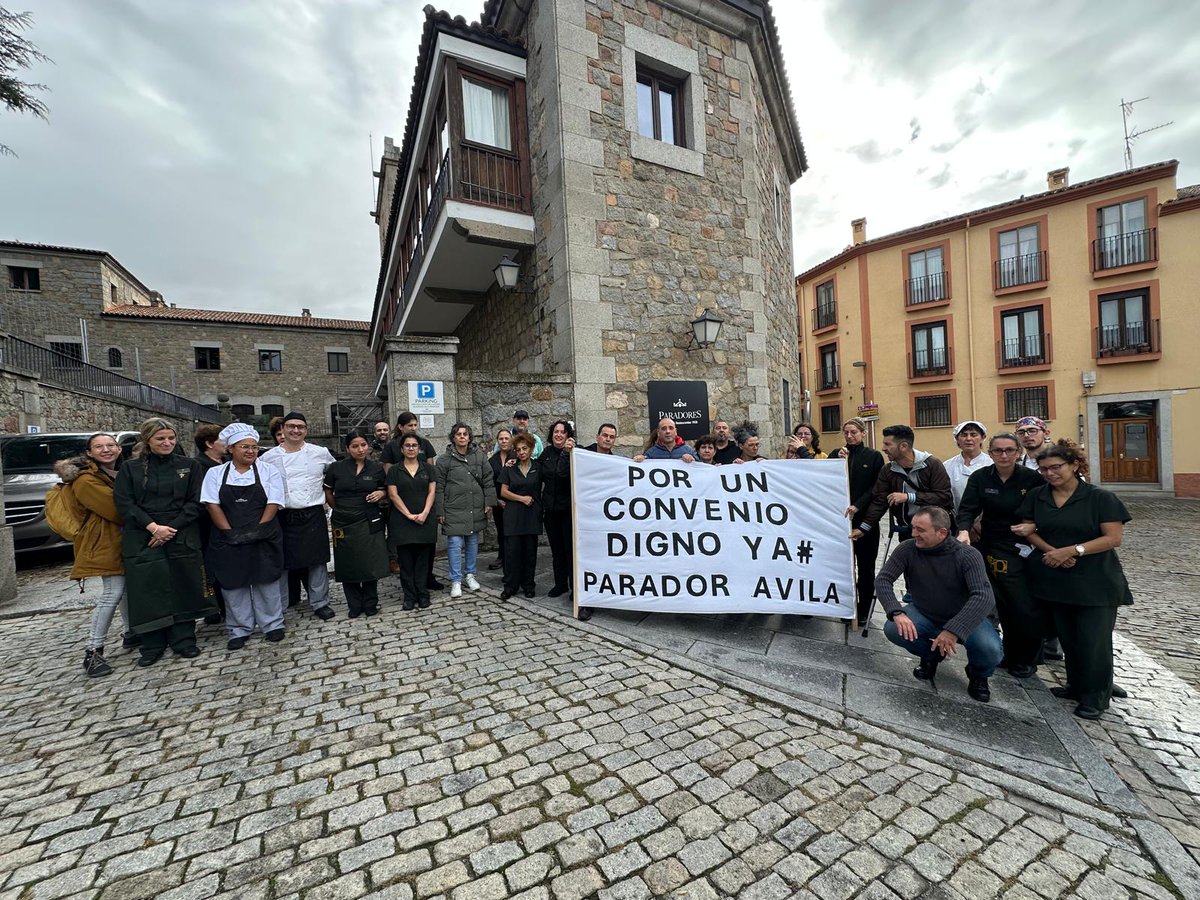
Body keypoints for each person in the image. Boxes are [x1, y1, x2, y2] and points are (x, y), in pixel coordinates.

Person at [1013, 442, 1134, 720]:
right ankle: (1076, 685)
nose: (1050, 473)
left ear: (1074, 465)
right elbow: (1027, 529)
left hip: (1095, 581)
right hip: (1056, 577)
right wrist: (1052, 552)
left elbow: (1113, 538)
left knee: (1094, 641)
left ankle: (1096, 697)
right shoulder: (1038, 495)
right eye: (1044, 469)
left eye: (1056, 467)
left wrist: (1073, 550)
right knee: (1069, 639)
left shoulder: (1099, 498)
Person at [114, 418, 215, 667]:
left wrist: (172, 528)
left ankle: (184, 638)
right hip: (144, 534)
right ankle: (153, 643)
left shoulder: (189, 466)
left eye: (171, 438)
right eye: (161, 439)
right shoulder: (131, 469)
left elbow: (197, 501)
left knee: (183, 583)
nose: (167, 443)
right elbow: (125, 503)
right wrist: (153, 527)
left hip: (181, 532)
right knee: (148, 588)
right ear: (148, 440)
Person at [877, 507, 1002, 702]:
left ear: (941, 533)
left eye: (920, 529)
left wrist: (953, 630)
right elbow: (883, 579)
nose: (913, 534)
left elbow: (984, 596)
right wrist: (897, 612)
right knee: (893, 628)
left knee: (990, 649)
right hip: (925, 612)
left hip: (966, 618)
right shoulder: (908, 549)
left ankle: (979, 674)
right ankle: (931, 656)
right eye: (913, 528)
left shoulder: (968, 555)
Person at [956, 432, 1045, 678]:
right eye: (998, 451)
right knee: (997, 603)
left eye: (1009, 450)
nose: (1003, 455)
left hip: (1023, 546)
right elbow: (968, 508)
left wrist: (1034, 527)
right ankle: (1005, 652)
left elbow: (1045, 512)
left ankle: (1027, 659)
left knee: (1023, 605)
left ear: (1018, 453)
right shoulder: (981, 477)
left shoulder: (1032, 478)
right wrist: (963, 531)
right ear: (991, 452)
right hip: (990, 543)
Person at [201, 423, 286, 650]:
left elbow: (274, 502)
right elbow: (212, 504)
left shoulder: (269, 472)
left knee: (266, 579)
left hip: (264, 533)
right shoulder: (215, 473)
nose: (250, 451)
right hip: (227, 536)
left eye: (254, 447)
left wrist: (258, 529)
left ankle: (272, 624)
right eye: (244, 447)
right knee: (233, 583)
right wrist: (229, 532)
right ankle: (239, 629)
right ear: (231, 449)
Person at [56, 433, 128, 677]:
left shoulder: (111, 473)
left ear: (119, 449)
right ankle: (93, 651)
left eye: (110, 445)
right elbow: (117, 510)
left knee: (125, 591)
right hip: (104, 543)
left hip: (119, 540)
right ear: (89, 453)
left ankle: (130, 633)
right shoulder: (86, 480)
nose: (106, 449)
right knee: (112, 593)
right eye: (99, 446)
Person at [260, 411, 337, 620]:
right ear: (283, 429)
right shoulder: (268, 457)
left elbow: (335, 474)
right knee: (282, 562)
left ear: (306, 430)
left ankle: (320, 602)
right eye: (291, 426)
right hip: (283, 515)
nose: (296, 430)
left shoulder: (319, 452)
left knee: (317, 561)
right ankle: (281, 607)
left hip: (313, 513)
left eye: (300, 427)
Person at [1013, 414, 1065, 662]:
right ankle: (1037, 642)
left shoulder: (1057, 461)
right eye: (1022, 432)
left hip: (1054, 534)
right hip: (1024, 534)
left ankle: (1054, 644)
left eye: (1032, 430)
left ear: (1044, 433)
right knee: (1031, 591)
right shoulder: (1017, 460)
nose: (1027, 435)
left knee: (1055, 591)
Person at [324, 429, 390, 618]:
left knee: (370, 561)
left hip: (369, 518)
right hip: (344, 520)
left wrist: (381, 493)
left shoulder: (375, 468)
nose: (360, 449)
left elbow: (384, 489)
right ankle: (354, 604)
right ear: (347, 448)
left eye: (363, 445)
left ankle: (370, 602)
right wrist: (341, 509)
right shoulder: (336, 468)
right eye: (355, 446)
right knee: (348, 562)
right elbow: (328, 493)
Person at [851, 424, 953, 544]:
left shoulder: (932, 465)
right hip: (907, 531)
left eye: (887, 444)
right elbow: (880, 501)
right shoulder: (887, 470)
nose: (883, 448)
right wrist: (864, 527)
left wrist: (908, 497)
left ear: (904, 446)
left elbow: (944, 497)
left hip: (934, 532)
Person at [382, 411, 441, 588]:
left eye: (415, 425)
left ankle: (427, 578)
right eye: (410, 425)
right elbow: (388, 472)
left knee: (427, 546)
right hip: (402, 497)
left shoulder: (424, 443)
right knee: (406, 547)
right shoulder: (392, 447)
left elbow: (430, 470)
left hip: (424, 498)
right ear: (400, 427)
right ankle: (410, 583)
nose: (413, 428)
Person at [836, 418, 885, 623]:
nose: (850, 436)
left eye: (854, 432)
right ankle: (847, 606)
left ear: (863, 433)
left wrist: (858, 505)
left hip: (865, 523)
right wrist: (837, 462)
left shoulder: (874, 457)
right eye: (846, 432)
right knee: (845, 567)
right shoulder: (837, 454)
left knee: (865, 569)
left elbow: (877, 487)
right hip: (843, 522)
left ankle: (864, 609)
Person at [435, 423, 491, 598]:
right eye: (458, 434)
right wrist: (440, 510)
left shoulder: (479, 457)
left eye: (465, 434)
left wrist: (489, 501)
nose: (461, 437)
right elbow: (439, 487)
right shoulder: (444, 460)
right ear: (453, 437)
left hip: (474, 507)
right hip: (454, 508)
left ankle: (470, 575)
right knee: (455, 544)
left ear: (469, 437)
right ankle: (456, 580)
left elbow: (488, 479)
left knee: (472, 542)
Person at [386, 432, 438, 610]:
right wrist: (408, 514)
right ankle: (409, 596)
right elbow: (393, 494)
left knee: (423, 561)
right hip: (402, 522)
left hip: (425, 520)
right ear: (402, 448)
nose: (410, 448)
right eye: (407, 445)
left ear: (419, 448)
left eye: (414, 445)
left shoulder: (428, 469)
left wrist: (424, 513)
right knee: (406, 561)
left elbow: (432, 492)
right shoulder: (394, 470)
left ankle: (423, 593)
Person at [498, 432, 542, 600]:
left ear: (531, 449)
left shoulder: (538, 467)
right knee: (512, 554)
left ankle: (528, 585)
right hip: (513, 516)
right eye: (518, 449)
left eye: (525, 448)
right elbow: (503, 492)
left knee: (530, 554)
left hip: (531, 516)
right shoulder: (509, 468)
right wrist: (522, 498)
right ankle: (510, 586)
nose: (522, 452)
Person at [192, 424, 228, 625]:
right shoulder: (198, 466)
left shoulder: (227, 463)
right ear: (209, 443)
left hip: (229, 521)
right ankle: (213, 606)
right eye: (222, 439)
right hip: (208, 525)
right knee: (209, 568)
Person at [540, 420, 575, 600]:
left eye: (562, 432)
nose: (559, 435)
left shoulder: (575, 452)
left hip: (568, 510)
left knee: (570, 550)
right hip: (551, 511)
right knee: (557, 550)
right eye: (556, 432)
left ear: (568, 435)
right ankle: (560, 584)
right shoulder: (545, 454)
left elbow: (563, 474)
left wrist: (567, 453)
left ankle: (574, 587)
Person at [944, 420, 992, 512]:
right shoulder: (947, 466)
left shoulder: (992, 464)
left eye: (973, 435)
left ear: (983, 437)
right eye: (964, 435)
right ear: (957, 439)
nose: (968, 439)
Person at [487, 429, 513, 571]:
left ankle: (512, 557)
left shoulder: (517, 457)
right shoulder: (492, 460)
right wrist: (496, 500)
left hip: (514, 502)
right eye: (501, 439)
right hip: (499, 503)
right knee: (501, 531)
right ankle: (501, 556)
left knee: (512, 532)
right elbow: (489, 483)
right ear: (498, 441)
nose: (504, 441)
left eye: (506, 438)